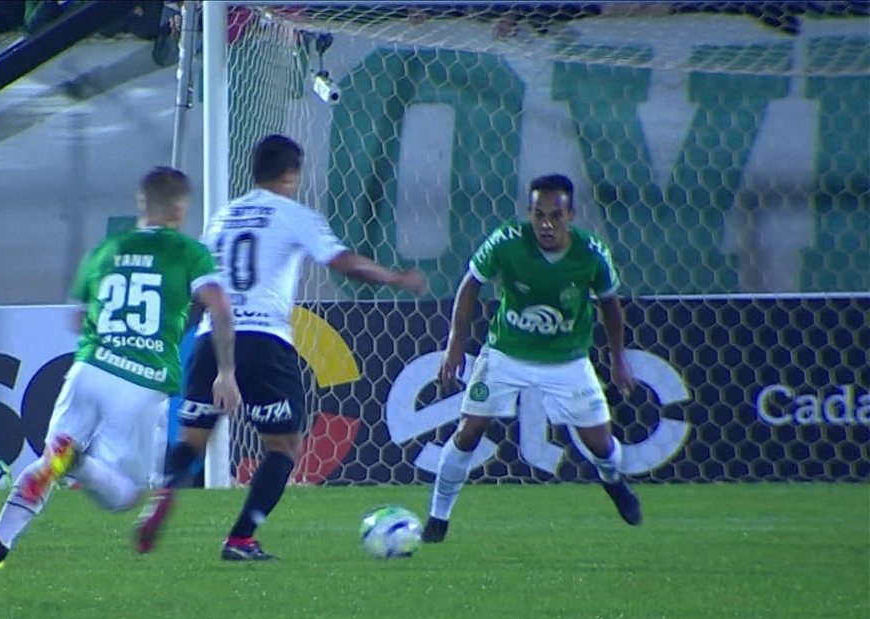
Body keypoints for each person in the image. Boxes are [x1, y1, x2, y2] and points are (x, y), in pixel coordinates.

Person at [135, 134, 428, 561]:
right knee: (283, 448)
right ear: (292, 173)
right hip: (264, 343)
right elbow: (342, 262)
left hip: (209, 342)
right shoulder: (293, 215)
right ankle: (241, 538)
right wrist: (393, 279)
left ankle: (164, 491)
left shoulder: (222, 217)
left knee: (193, 440)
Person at [0, 166, 239, 568]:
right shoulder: (188, 252)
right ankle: (76, 460)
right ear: (180, 207)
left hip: (89, 369)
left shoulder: (105, 250)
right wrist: (225, 371)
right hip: (141, 382)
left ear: (141, 203)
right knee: (127, 495)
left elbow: (78, 319)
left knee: (49, 461)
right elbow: (220, 306)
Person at [425, 173, 642, 544]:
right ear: (529, 213)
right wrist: (455, 344)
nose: (545, 224)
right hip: (506, 353)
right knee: (468, 430)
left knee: (601, 444)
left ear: (571, 215)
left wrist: (619, 359)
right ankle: (437, 518)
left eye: (555, 215)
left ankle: (613, 481)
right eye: (538, 214)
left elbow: (610, 305)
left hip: (567, 360)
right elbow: (470, 283)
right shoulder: (507, 241)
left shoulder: (591, 254)